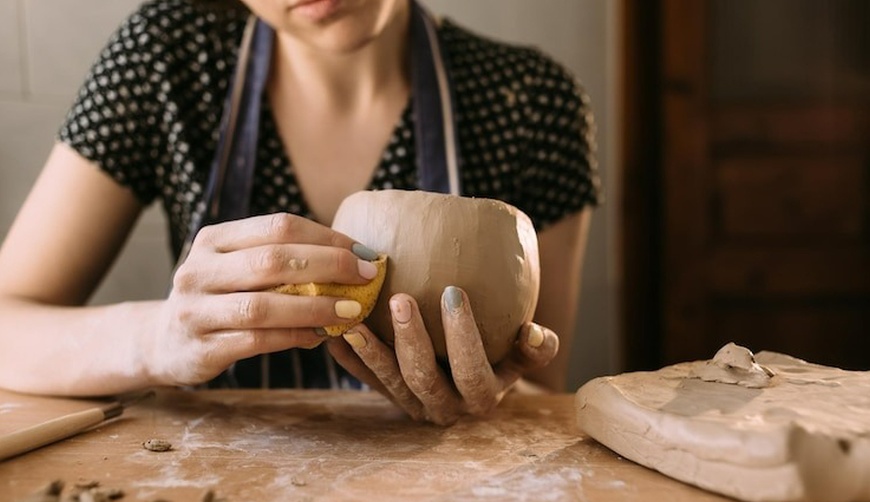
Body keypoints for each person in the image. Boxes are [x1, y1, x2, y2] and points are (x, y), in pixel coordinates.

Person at [0, 0, 600, 425]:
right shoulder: (166, 58)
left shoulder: (533, 101)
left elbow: (540, 379)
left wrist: (488, 399)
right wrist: (158, 338)